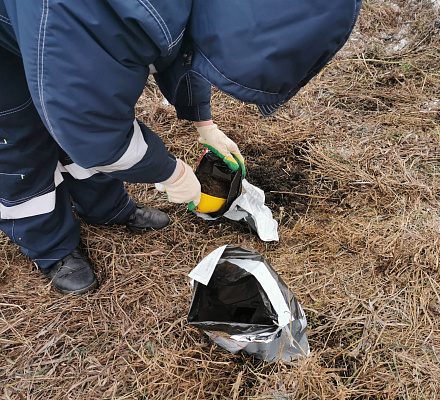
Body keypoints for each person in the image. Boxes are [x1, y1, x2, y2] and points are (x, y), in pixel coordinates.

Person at [0, 1, 360, 295]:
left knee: (73, 137)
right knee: (21, 149)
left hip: (54, 35)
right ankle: (53, 249)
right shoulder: (85, 16)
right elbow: (94, 130)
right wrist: (173, 174)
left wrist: (203, 121)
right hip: (12, 45)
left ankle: (106, 208)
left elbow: (182, 42)